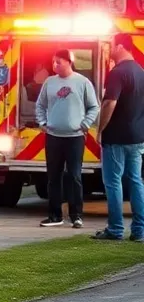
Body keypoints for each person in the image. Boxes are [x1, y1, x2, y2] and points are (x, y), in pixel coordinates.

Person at [37, 49, 99, 229]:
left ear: (69, 61)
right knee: (53, 177)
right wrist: (42, 122)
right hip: (53, 136)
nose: (55, 65)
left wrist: (85, 124)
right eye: (53, 62)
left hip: (75, 137)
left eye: (58, 62)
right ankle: (54, 215)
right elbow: (41, 105)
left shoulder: (82, 82)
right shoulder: (49, 82)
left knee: (74, 176)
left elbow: (93, 107)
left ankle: (76, 215)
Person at [93, 33, 144, 242]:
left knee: (113, 182)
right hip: (137, 137)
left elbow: (109, 103)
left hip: (116, 137)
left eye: (112, 46)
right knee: (136, 181)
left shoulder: (117, 72)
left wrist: (100, 129)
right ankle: (139, 231)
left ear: (121, 46)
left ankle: (115, 229)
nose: (110, 50)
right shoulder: (141, 72)